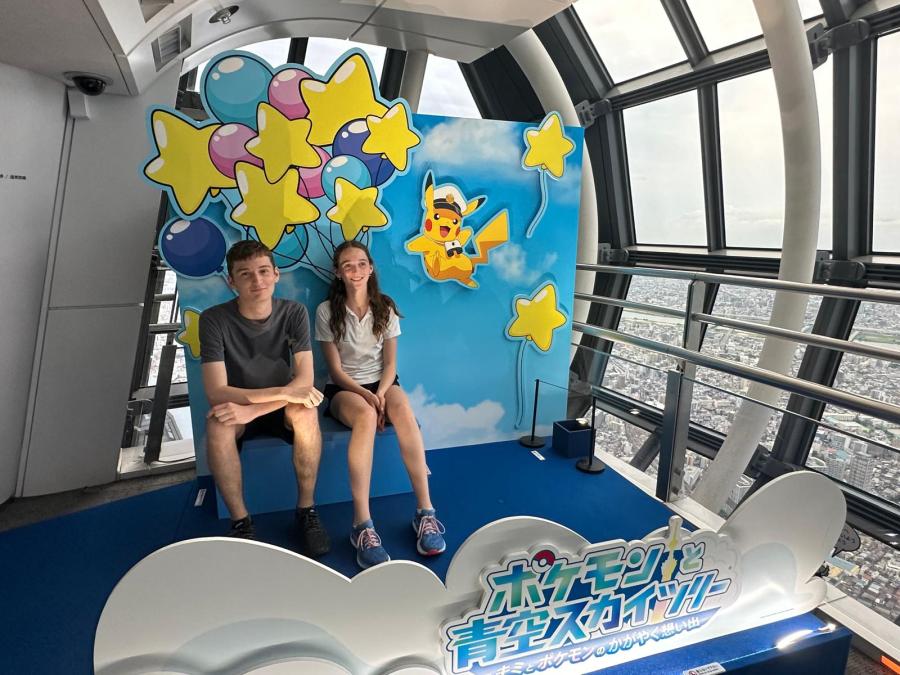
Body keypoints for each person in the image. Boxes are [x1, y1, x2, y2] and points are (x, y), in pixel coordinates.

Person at [315, 240, 446, 569]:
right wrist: (369, 398)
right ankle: (362, 525)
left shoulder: (384, 307)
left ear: (371, 268)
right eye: (348, 265)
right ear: (338, 272)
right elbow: (336, 371)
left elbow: (390, 365)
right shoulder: (326, 311)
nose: (356, 270)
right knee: (365, 416)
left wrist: (382, 394)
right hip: (345, 388)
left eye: (361, 264)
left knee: (403, 410)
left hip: (383, 383)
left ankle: (425, 513)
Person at [199, 239, 331, 556]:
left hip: (273, 408)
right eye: (245, 274)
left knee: (307, 413)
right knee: (217, 425)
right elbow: (216, 391)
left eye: (262, 271)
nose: (257, 280)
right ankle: (241, 522)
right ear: (231, 282)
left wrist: (261, 408)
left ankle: (306, 511)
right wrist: (283, 392)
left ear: (276, 274)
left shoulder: (294, 312)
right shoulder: (213, 319)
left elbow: (305, 381)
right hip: (241, 405)